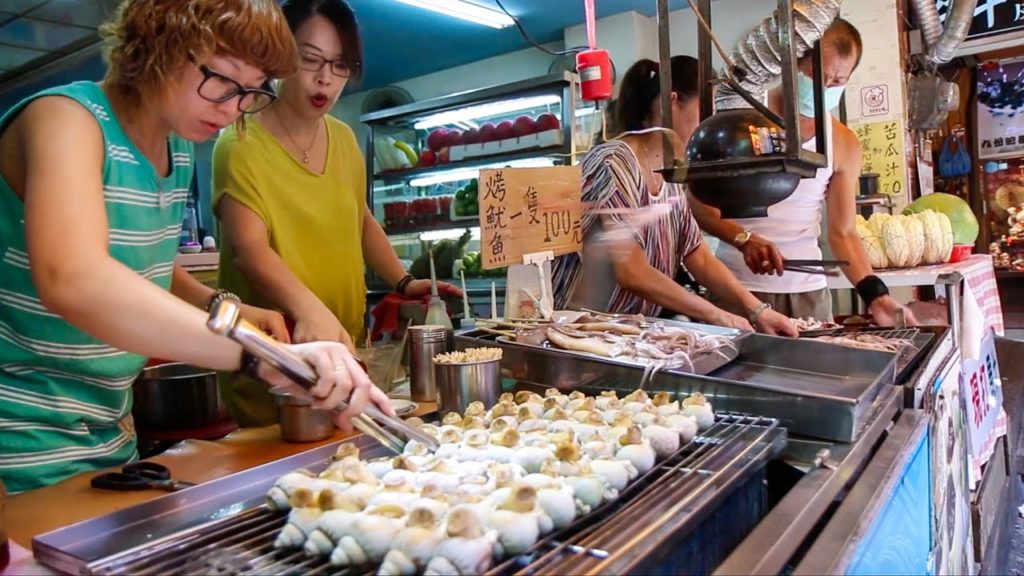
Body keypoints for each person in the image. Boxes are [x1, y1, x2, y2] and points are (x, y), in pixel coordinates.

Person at [0, 0, 391, 494]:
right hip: (18, 444)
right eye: (222, 80)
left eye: (250, 91)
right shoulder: (64, 120)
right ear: (159, 43)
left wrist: (227, 306)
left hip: (108, 437)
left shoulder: (176, 148)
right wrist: (256, 353)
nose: (231, 108)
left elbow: (146, 265)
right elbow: (75, 277)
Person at [213, 0, 458, 426]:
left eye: (340, 65)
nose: (325, 77)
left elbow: (360, 220)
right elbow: (249, 251)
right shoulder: (239, 140)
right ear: (279, 55)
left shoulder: (344, 140)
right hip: (277, 360)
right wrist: (309, 311)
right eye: (309, 59)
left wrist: (403, 280)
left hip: (345, 349)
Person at [690, 19, 915, 325]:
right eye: (816, 76)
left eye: (838, 81)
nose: (825, 88)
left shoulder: (843, 143)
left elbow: (843, 232)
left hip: (808, 295)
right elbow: (699, 204)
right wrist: (744, 239)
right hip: (736, 288)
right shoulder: (741, 119)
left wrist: (876, 294)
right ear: (792, 65)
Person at [551, 56, 797, 336]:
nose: (710, 122)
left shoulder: (669, 173)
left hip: (629, 333)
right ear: (670, 101)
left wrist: (757, 311)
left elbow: (698, 257)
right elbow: (631, 271)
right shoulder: (612, 163)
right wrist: (719, 316)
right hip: (583, 333)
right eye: (705, 110)